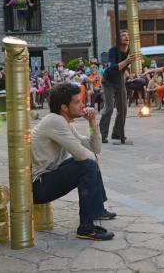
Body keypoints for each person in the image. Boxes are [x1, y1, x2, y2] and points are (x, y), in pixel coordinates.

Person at [31, 84, 116, 241]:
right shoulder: (54, 121)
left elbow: (94, 148)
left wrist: (92, 123)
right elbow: (83, 156)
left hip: (48, 177)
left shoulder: (64, 122)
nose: (82, 105)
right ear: (64, 107)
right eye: (77, 102)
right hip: (38, 186)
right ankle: (86, 228)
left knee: (91, 160)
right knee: (88, 164)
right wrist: (92, 161)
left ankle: (98, 209)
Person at [99, 30, 135, 143]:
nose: (126, 37)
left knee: (123, 109)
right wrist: (126, 61)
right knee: (109, 108)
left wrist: (129, 73)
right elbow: (111, 68)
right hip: (108, 81)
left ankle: (117, 133)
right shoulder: (113, 51)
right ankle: (101, 135)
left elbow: (125, 68)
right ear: (118, 39)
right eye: (123, 35)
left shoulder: (129, 51)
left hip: (120, 81)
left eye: (128, 35)